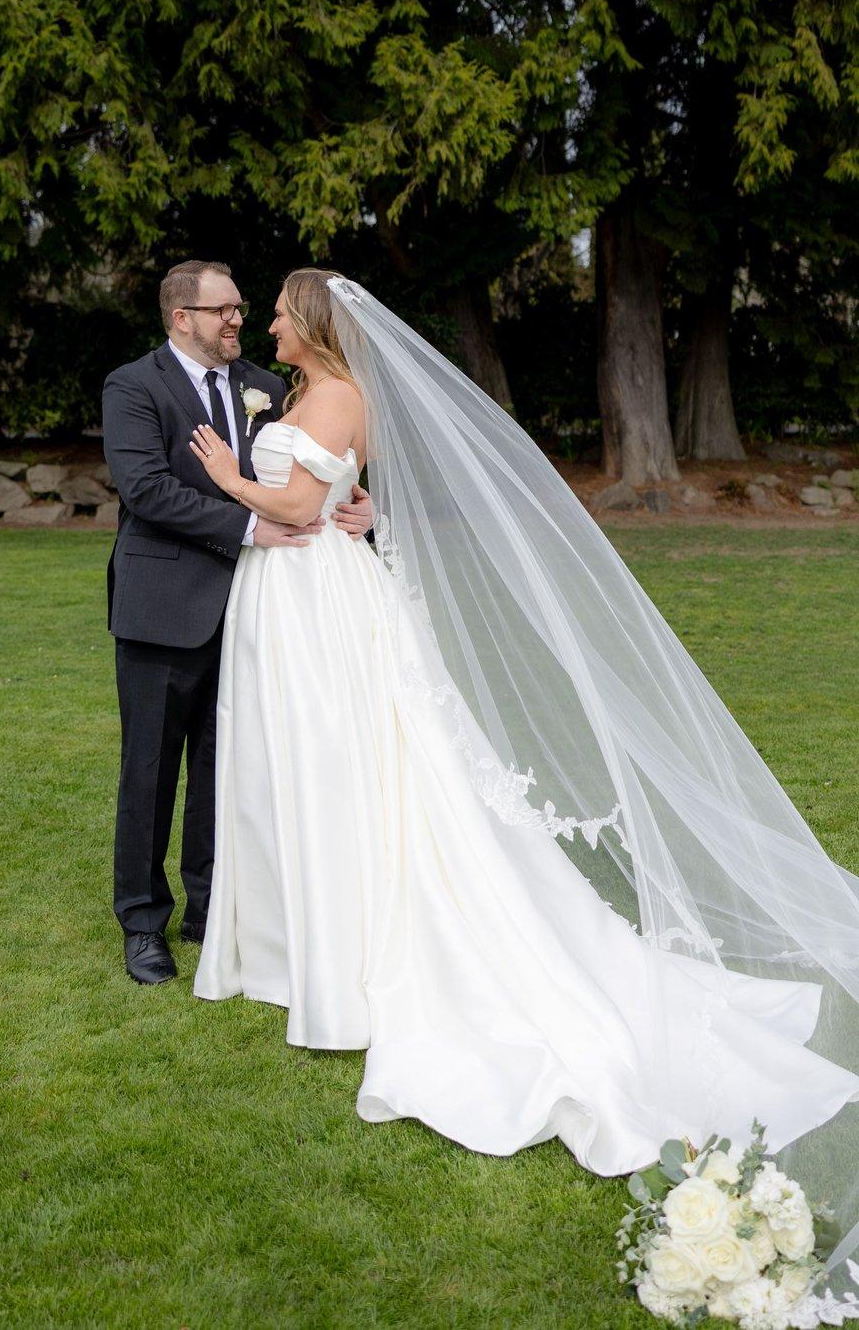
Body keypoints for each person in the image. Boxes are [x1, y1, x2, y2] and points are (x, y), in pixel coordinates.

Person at [188, 268, 859, 1269]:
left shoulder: (333, 395)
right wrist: (344, 500)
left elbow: (291, 499)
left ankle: (342, 950)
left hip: (312, 595)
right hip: (298, 591)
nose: (268, 325)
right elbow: (337, 491)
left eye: (280, 312)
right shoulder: (310, 394)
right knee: (314, 764)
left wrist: (226, 474)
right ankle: (300, 938)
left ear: (312, 322)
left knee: (340, 763)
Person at [102, 259, 373, 984]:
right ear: (181, 317)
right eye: (222, 310)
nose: (237, 321)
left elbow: (325, 464)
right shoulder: (134, 386)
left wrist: (363, 504)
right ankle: (142, 922)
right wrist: (249, 527)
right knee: (150, 769)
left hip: (263, 610)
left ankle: (212, 906)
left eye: (242, 309)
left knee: (232, 764)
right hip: (164, 606)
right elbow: (147, 490)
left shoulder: (273, 386)